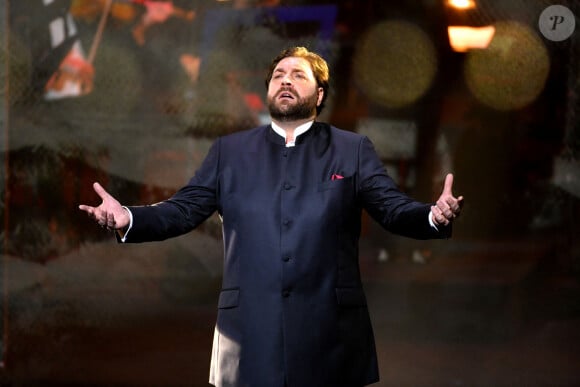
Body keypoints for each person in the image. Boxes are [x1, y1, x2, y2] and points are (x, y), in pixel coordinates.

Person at [79, 46, 463, 387]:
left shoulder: (352, 150)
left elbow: (393, 209)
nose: (286, 80)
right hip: (247, 330)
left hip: (330, 332)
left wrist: (433, 215)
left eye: (298, 75)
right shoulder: (229, 152)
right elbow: (182, 210)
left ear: (320, 93)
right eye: (278, 75)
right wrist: (129, 218)